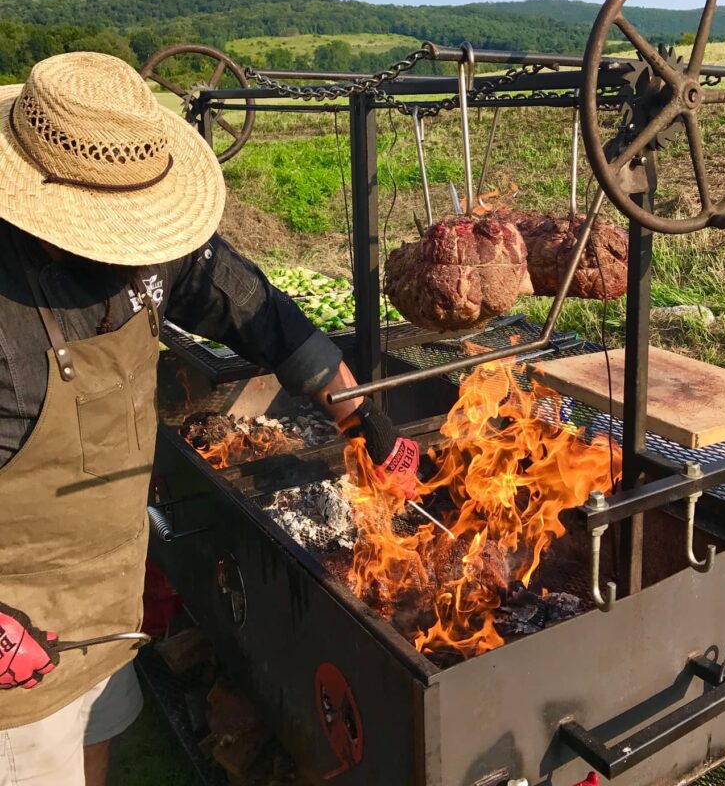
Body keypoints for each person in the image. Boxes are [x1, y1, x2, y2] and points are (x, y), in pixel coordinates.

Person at [0, 53, 420, 786]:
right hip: (12, 620)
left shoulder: (161, 254)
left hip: (106, 587)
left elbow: (255, 310)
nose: (135, 251)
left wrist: (358, 415)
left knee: (94, 744)